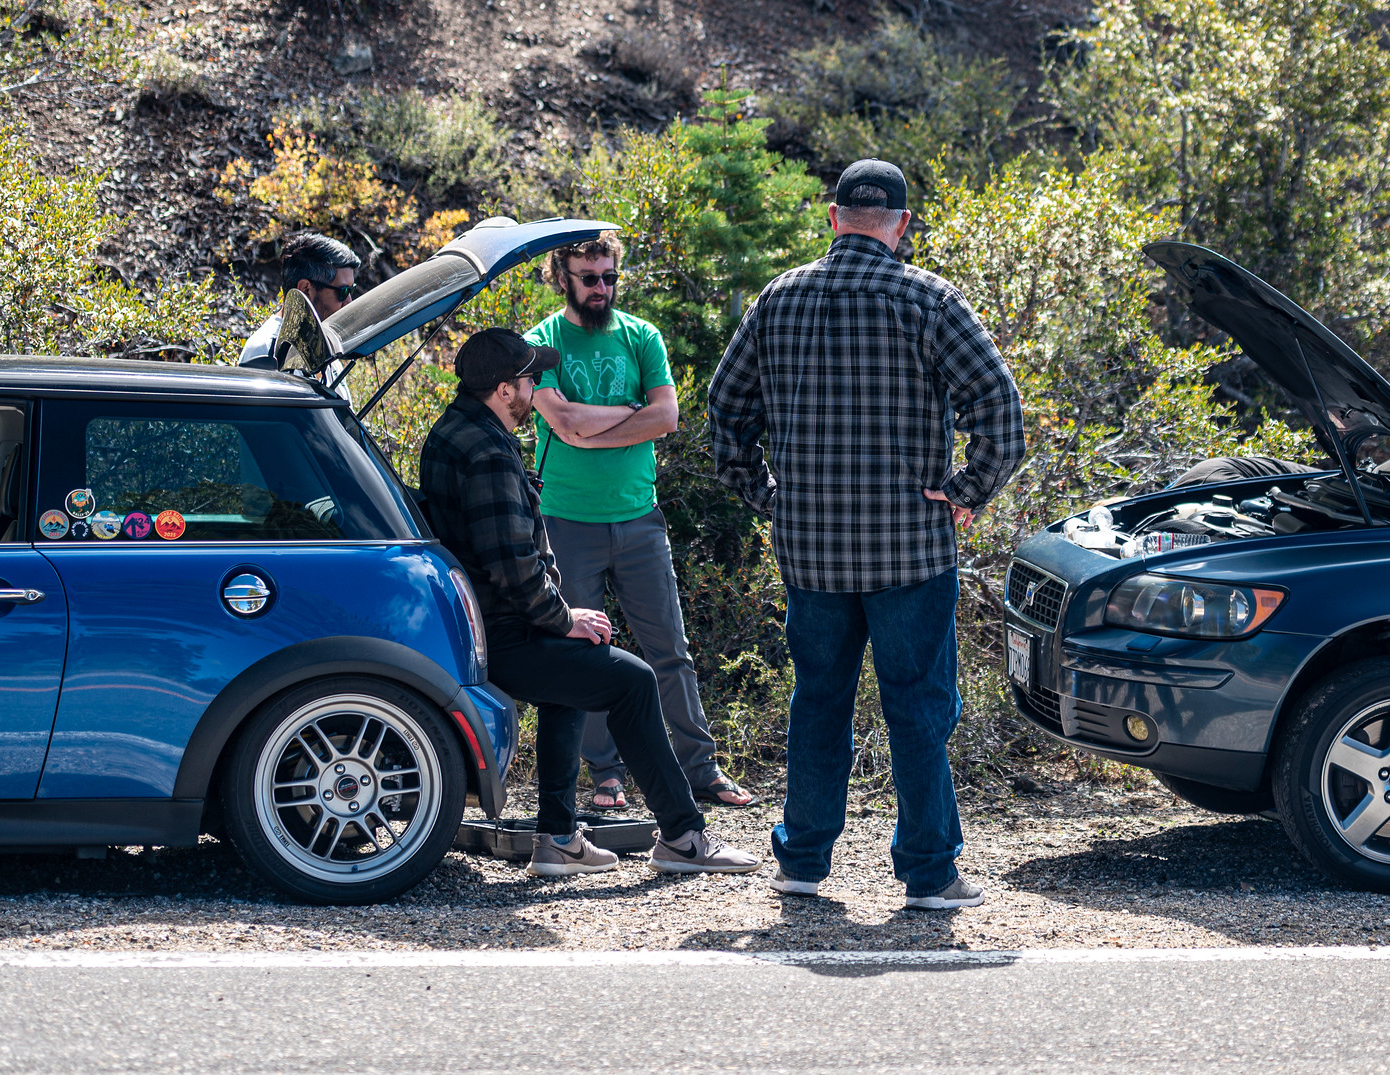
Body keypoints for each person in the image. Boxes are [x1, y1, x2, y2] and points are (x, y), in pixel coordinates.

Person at [707, 160, 1026, 910]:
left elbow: (725, 412)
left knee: (818, 700)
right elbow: (1002, 415)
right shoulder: (930, 299)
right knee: (917, 707)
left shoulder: (778, 298)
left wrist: (769, 496)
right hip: (910, 550)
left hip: (810, 551)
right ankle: (930, 874)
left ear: (833, 217)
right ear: (902, 225)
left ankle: (801, 861)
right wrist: (964, 490)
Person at [419, 328, 760, 879]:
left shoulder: (453, 431)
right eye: (530, 378)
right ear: (504, 390)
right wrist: (562, 618)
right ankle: (682, 837)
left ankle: (557, 839)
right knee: (633, 680)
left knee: (573, 680)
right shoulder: (488, 453)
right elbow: (511, 564)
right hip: (501, 635)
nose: (535, 386)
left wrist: (562, 622)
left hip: (477, 626)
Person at [527, 233, 755, 813]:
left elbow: (666, 416)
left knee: (669, 650)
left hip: (639, 519)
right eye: (589, 277)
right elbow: (562, 423)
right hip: (566, 520)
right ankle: (605, 774)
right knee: (584, 654)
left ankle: (700, 769)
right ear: (562, 277)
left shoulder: (642, 335)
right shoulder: (540, 343)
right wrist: (628, 414)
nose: (601, 288)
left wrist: (592, 429)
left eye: (609, 276)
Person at [239, 233, 360, 370]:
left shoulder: (327, 354)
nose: (349, 301)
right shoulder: (265, 352)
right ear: (305, 289)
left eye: (351, 290)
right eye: (343, 291)